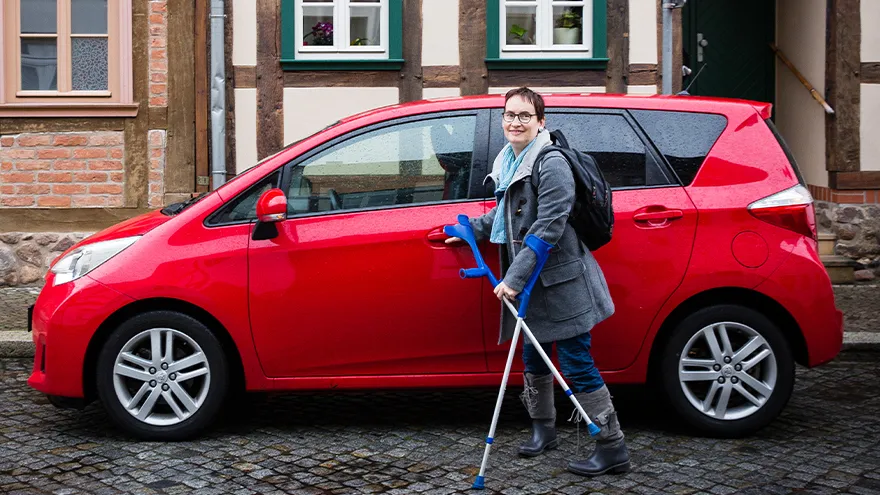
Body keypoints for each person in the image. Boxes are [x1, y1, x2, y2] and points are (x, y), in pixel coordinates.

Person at [445, 87, 629, 476]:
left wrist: (512, 280)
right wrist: (469, 229)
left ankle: (613, 447)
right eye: (510, 115)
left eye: (525, 116)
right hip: (533, 285)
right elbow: (506, 214)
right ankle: (544, 429)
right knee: (532, 358)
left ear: (540, 121)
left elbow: (547, 227)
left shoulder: (551, 163)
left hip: (562, 285)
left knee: (577, 362)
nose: (515, 122)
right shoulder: (511, 160)